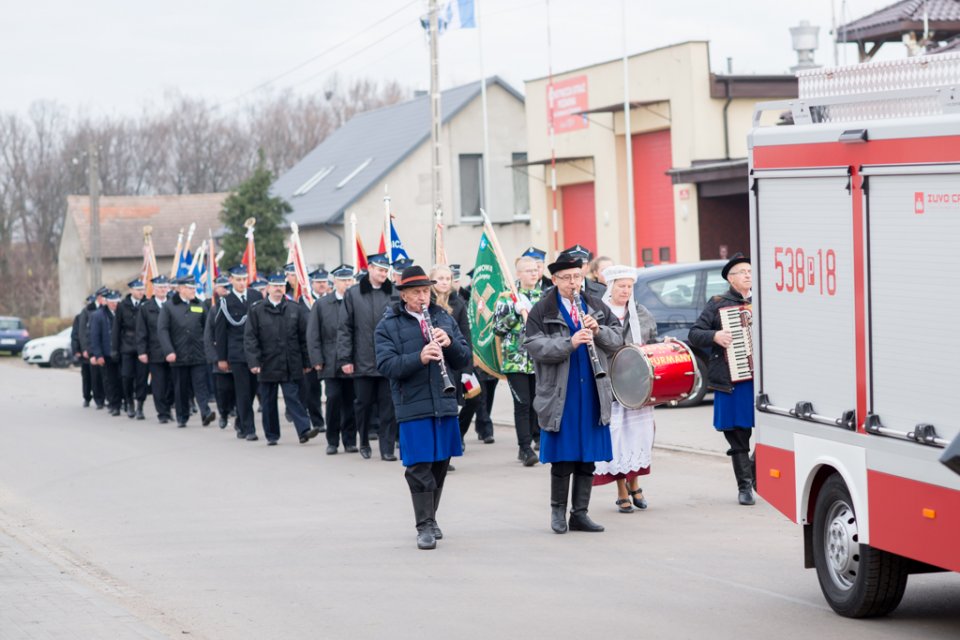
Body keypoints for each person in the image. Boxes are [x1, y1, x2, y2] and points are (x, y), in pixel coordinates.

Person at [524, 255, 623, 534]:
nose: (573, 283)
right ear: (554, 280)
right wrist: (569, 343)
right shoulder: (542, 309)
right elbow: (533, 345)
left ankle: (580, 513)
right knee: (563, 456)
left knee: (586, 456)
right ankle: (558, 513)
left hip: (591, 390)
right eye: (567, 278)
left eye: (577, 277)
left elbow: (618, 339)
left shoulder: (595, 304)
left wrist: (598, 330)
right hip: (561, 393)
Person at [375, 265, 471, 550]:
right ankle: (424, 526)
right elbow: (386, 365)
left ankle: (432, 517)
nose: (423, 297)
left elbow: (464, 357)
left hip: (444, 401)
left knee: (440, 464)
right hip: (412, 404)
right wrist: (419, 357)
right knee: (419, 467)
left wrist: (449, 342)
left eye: (426, 291)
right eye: (416, 292)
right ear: (404, 295)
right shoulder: (388, 324)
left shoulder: (443, 317)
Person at [689, 253, 756, 506]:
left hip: (762, 380)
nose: (748, 275)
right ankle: (745, 486)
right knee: (738, 433)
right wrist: (715, 335)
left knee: (772, 431)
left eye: (750, 271)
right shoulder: (717, 304)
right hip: (734, 379)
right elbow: (695, 334)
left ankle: (755, 474)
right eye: (742, 272)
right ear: (730, 278)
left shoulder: (765, 300)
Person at [592, 265, 659, 512]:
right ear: (610, 287)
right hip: (610, 384)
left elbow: (651, 343)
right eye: (621, 286)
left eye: (629, 286)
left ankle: (636, 483)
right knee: (616, 438)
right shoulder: (598, 313)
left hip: (637, 384)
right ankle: (622, 489)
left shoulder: (640, 312)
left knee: (638, 436)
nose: (626, 291)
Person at [244, 273, 320, 446]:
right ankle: (272, 435)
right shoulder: (257, 310)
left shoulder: (294, 308)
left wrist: (307, 362)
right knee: (269, 401)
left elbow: (303, 338)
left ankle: (304, 430)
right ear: (268, 288)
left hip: (290, 362)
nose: (279, 289)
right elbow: (250, 338)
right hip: (267, 362)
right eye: (275, 286)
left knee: (293, 398)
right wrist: (254, 362)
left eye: (282, 286)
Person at [338, 253, 398, 461]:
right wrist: (345, 359)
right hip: (362, 360)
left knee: (388, 406)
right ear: (370, 268)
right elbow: (345, 328)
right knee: (363, 404)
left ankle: (387, 448)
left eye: (386, 271)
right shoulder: (353, 294)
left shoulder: (394, 293)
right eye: (380, 270)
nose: (383, 274)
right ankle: (363, 441)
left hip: (388, 360)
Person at [493, 255, 544, 466]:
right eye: (529, 270)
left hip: (539, 360)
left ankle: (536, 438)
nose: (533, 273)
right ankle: (524, 448)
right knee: (522, 403)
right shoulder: (507, 298)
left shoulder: (544, 296)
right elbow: (498, 328)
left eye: (535, 270)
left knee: (536, 403)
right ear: (518, 274)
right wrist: (515, 314)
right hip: (516, 360)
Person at [307, 265, 357, 455]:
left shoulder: (355, 301)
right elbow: (313, 334)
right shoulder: (322, 304)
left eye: (349, 280)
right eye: (343, 280)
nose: (347, 283)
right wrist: (316, 359)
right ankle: (332, 440)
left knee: (350, 402)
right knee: (334, 399)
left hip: (353, 361)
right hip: (330, 361)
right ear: (334, 282)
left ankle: (350, 440)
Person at [158, 276, 217, 428]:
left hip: (198, 352)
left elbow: (207, 328)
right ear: (181, 289)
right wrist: (169, 350)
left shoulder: (199, 304)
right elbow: (162, 330)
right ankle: (182, 416)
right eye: (190, 288)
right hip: (178, 354)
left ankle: (206, 412)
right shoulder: (169, 306)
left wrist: (209, 346)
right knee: (181, 387)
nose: (193, 291)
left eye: (194, 288)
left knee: (201, 384)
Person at [214, 265, 262, 441]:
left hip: (255, 353)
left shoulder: (256, 297)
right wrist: (222, 357)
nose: (242, 283)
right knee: (242, 391)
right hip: (237, 353)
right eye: (238, 280)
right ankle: (249, 428)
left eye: (244, 279)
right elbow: (220, 332)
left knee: (252, 390)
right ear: (231, 281)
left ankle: (241, 422)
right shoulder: (225, 302)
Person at [136, 275, 175, 423]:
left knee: (172, 383)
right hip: (155, 351)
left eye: (165, 287)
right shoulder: (146, 308)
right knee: (159, 384)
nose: (162, 290)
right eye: (159, 287)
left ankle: (168, 406)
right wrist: (142, 351)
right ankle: (162, 413)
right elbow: (141, 331)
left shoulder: (172, 305)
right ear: (154, 289)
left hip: (172, 351)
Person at [112, 279, 148, 419]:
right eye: (138, 290)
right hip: (127, 345)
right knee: (126, 376)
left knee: (142, 378)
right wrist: (114, 349)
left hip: (143, 346)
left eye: (142, 289)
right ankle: (129, 401)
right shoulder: (122, 306)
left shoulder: (147, 304)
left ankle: (140, 406)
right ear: (132, 291)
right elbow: (116, 328)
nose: (141, 292)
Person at [205, 276, 236, 429]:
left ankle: (238, 414)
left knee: (238, 390)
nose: (225, 290)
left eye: (227, 287)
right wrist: (215, 358)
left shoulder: (237, 306)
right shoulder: (214, 309)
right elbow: (209, 336)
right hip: (221, 358)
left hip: (236, 356)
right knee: (223, 390)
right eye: (222, 287)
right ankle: (223, 414)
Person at [90, 289, 124, 416]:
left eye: (117, 302)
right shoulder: (98, 315)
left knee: (124, 379)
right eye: (112, 302)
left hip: (122, 352)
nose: (115, 304)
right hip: (107, 354)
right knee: (111, 380)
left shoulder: (122, 313)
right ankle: (114, 404)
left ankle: (124, 401)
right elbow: (94, 337)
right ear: (107, 302)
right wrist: (98, 355)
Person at [79, 288, 107, 409]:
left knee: (107, 375)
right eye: (105, 297)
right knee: (95, 376)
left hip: (105, 347)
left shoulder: (108, 310)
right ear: (99, 298)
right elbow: (83, 332)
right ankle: (98, 399)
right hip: (93, 347)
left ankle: (109, 397)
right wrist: (85, 348)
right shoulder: (87, 311)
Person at [72, 295, 95, 407]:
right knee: (86, 377)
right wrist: (77, 349)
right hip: (84, 352)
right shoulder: (80, 316)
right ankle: (87, 397)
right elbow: (77, 335)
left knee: (96, 376)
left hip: (94, 350)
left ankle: (99, 396)